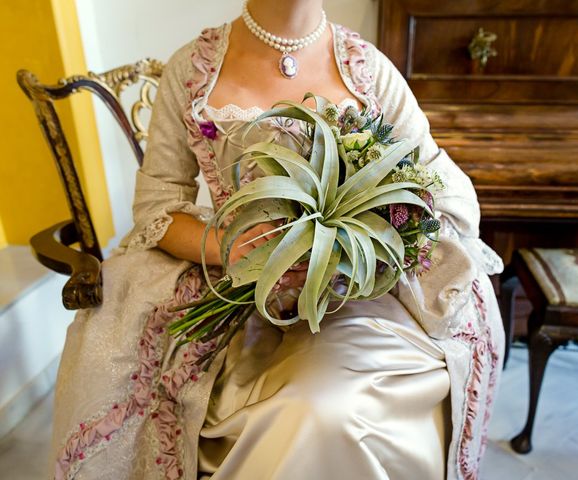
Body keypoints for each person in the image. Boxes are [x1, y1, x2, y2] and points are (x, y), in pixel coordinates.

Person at [49, 1, 505, 479]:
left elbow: (437, 191)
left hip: (355, 306)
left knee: (331, 409)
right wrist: (233, 246)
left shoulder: (368, 71)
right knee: (299, 412)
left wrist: (355, 249)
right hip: (236, 300)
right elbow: (156, 208)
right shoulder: (193, 69)